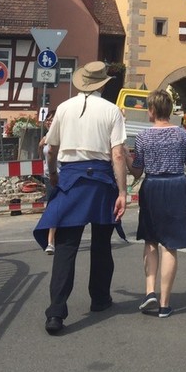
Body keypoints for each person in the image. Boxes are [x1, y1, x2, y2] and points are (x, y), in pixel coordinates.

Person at [32, 62, 128, 335]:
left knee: (65, 247)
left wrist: (53, 175)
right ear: (103, 84)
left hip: (71, 179)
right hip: (101, 181)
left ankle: (56, 312)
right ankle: (99, 299)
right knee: (101, 244)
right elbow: (118, 154)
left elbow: (51, 149)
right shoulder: (112, 111)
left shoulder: (63, 108)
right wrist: (122, 191)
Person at [126, 90, 186, 319]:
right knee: (171, 245)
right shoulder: (182, 135)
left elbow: (137, 172)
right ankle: (165, 304)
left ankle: (150, 291)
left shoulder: (143, 138)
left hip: (153, 187)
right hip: (177, 185)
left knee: (151, 240)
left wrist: (127, 159)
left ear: (153, 110)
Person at [38, 134, 56, 254]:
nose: (49, 122)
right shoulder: (46, 137)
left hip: (62, 174)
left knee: (57, 207)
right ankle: (50, 241)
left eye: (51, 119)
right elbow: (41, 157)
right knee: (52, 207)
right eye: (48, 120)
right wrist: (40, 146)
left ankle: (52, 240)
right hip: (48, 176)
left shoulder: (62, 134)